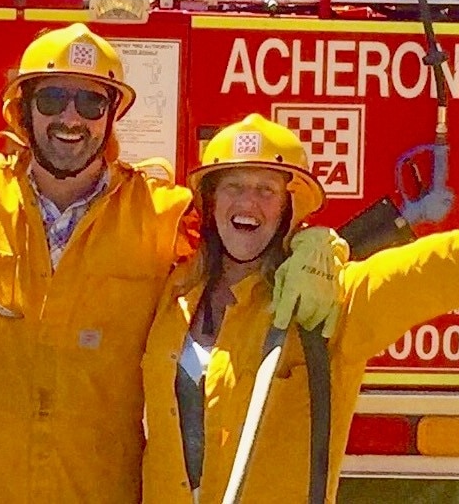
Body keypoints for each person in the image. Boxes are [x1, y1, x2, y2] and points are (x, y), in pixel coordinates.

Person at [0, 24, 349, 504]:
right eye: (53, 99)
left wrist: (320, 245)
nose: (71, 118)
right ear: (22, 110)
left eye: (91, 103)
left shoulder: (163, 213)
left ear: (110, 116)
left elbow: (247, 232)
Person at [141, 113, 459, 504]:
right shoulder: (171, 292)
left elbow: (439, 267)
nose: (248, 202)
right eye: (233, 187)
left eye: (266, 191)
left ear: (289, 208)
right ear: (209, 202)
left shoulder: (329, 299)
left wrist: (325, 246)